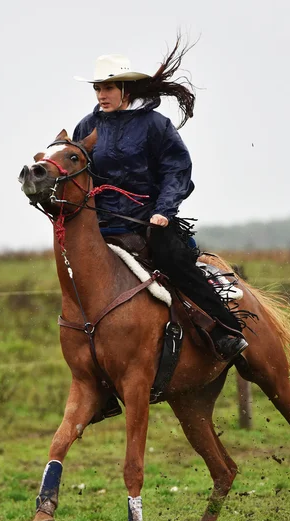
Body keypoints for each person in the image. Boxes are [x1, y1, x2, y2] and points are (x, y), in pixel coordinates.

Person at [72, 40, 248, 362]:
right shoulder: (87, 127)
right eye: (97, 88)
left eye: (108, 87)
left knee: (172, 257)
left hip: (150, 221)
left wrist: (164, 211)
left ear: (125, 88)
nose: (101, 95)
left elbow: (177, 168)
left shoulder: (155, 125)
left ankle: (225, 330)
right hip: (103, 225)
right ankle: (91, 366)